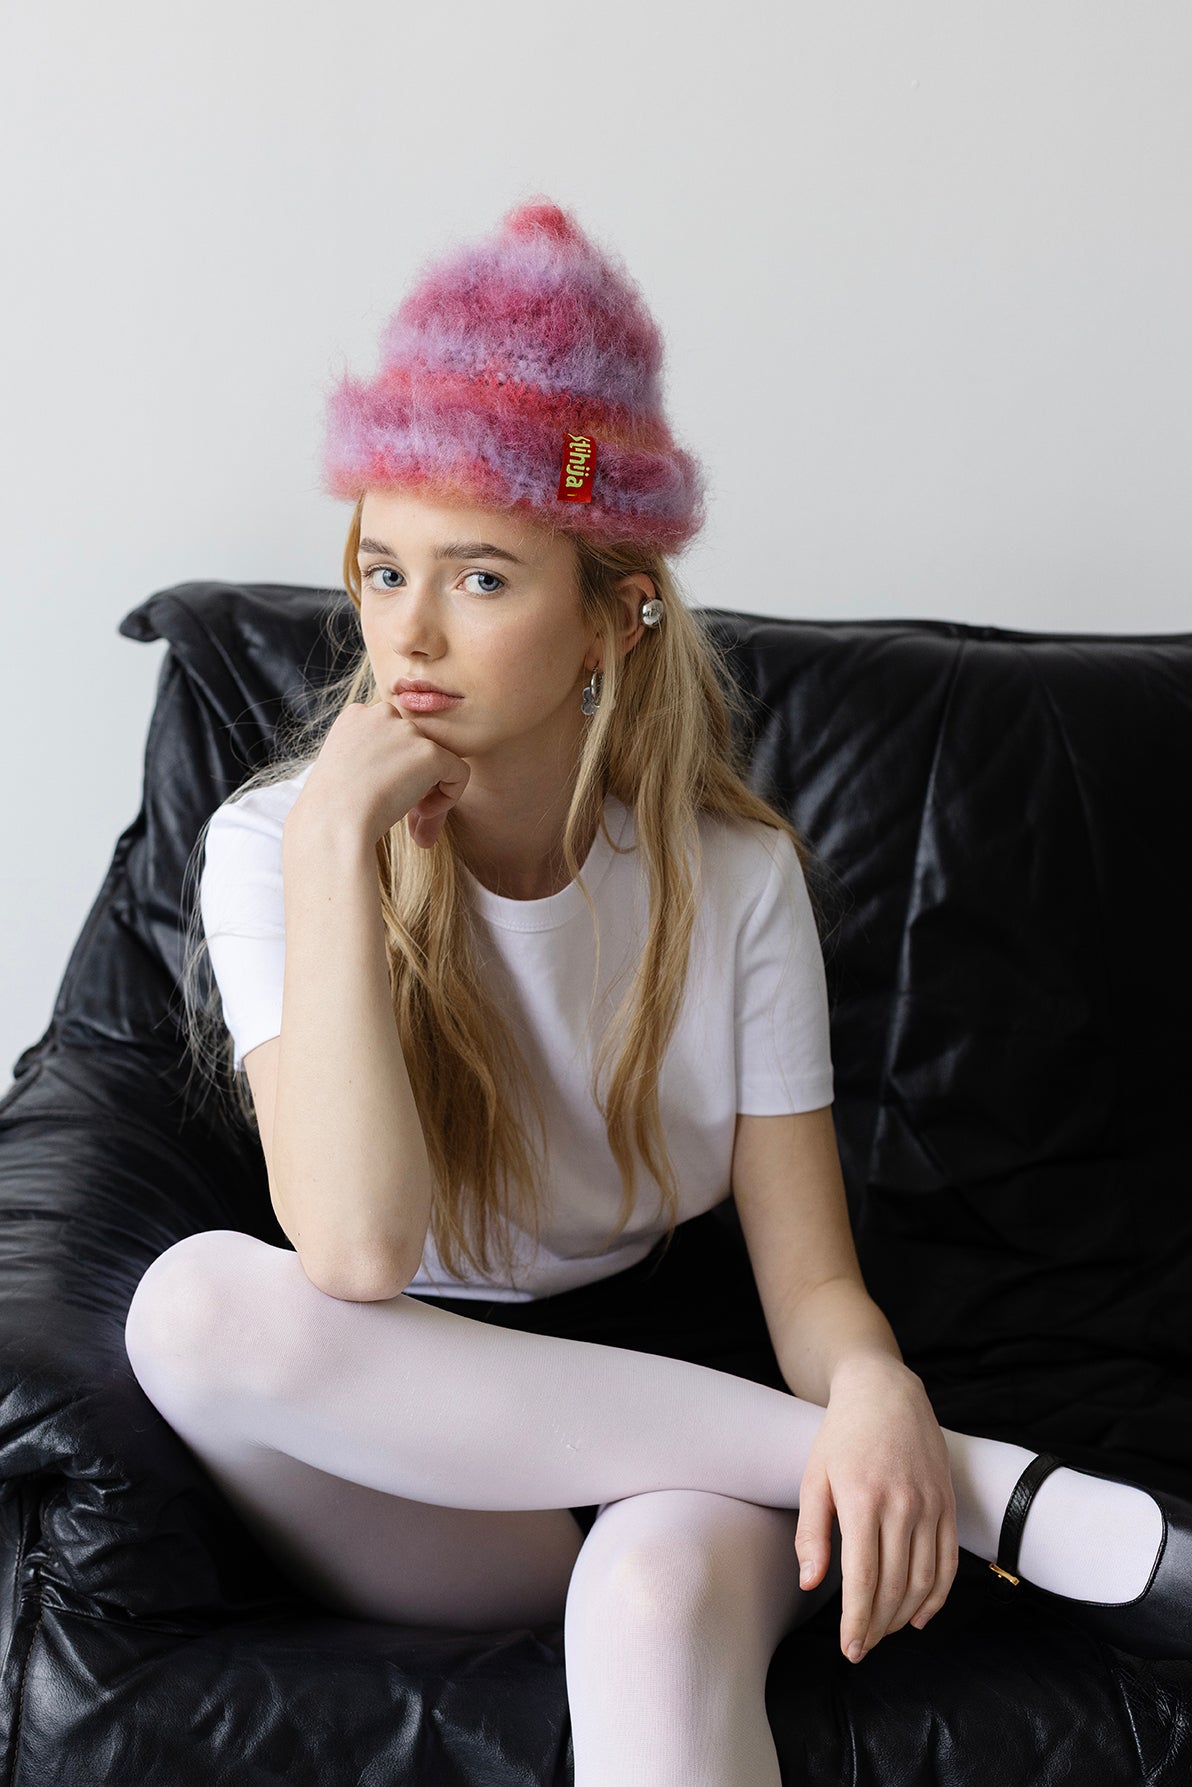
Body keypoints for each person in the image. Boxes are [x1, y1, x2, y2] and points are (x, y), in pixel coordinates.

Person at [124, 197, 1189, 1787]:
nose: (409, 633)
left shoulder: (734, 882)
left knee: (649, 1603)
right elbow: (354, 1252)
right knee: (195, 1312)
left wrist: (871, 1386)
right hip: (412, 1445)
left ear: (612, 616)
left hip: (691, 1427)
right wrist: (342, 840)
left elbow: (812, 1288)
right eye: (384, 570)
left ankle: (878, 1461)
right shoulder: (281, 844)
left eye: (484, 578)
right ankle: (991, 1494)